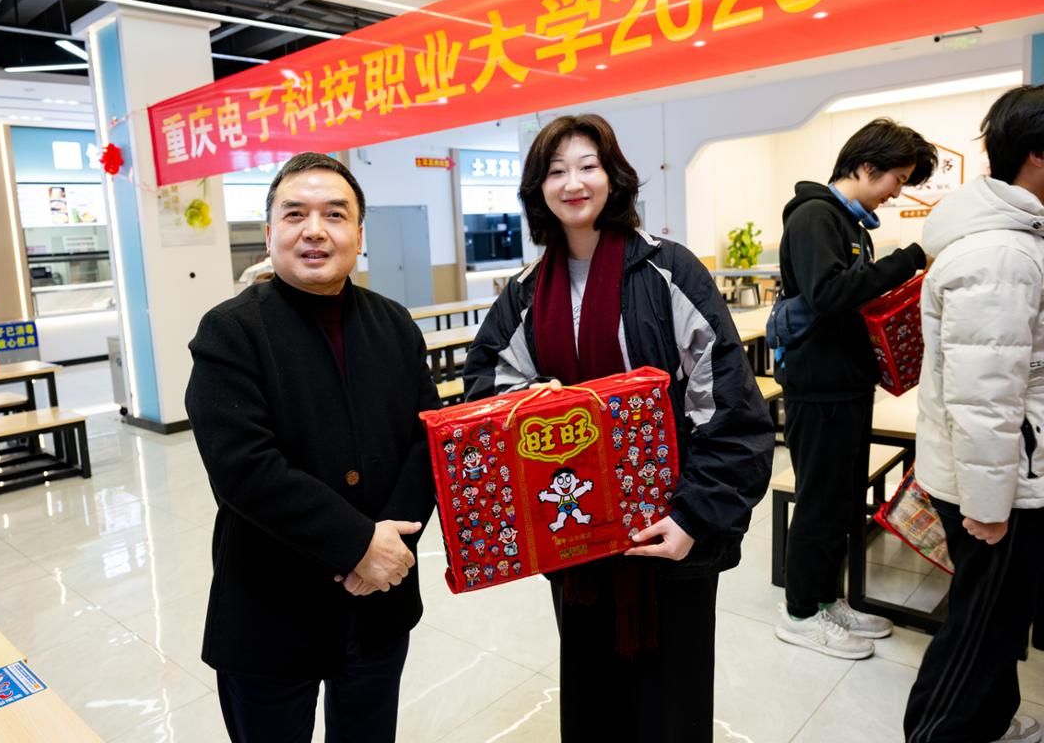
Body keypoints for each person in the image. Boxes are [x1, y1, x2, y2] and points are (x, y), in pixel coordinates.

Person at [463, 114, 774, 742]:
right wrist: (530, 402)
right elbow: (484, 391)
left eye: (588, 166)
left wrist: (693, 518)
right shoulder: (525, 292)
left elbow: (730, 406)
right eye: (555, 171)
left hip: (667, 531)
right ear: (538, 189)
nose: (573, 183)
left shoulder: (667, 271)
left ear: (614, 177)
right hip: (574, 534)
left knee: (672, 703)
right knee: (592, 696)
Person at [185, 152, 440, 742]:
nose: (315, 230)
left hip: (379, 602)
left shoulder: (394, 324)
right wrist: (357, 545)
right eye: (295, 214)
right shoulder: (231, 331)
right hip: (271, 611)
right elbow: (244, 469)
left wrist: (389, 549)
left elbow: (427, 439)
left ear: (359, 234)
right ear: (269, 232)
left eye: (335, 214)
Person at [904, 85, 1044, 743]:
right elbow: (984, 394)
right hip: (996, 483)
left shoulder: (1011, 240)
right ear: (1037, 155)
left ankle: (990, 722)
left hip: (1006, 470)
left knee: (998, 618)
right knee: (978, 630)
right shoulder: (1000, 254)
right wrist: (989, 504)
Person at [774, 118, 937, 659]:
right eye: (897, 178)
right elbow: (827, 294)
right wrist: (908, 259)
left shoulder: (851, 225)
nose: (897, 191)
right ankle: (800, 613)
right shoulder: (814, 216)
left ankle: (828, 599)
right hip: (817, 387)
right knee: (819, 503)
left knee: (842, 503)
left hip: (846, 384)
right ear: (867, 166)